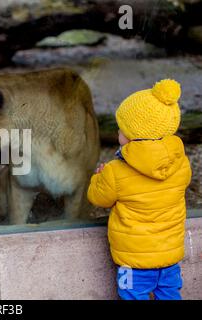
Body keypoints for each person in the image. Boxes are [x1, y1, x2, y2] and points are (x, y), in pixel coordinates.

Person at [87, 79, 192, 300]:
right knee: (170, 294)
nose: (117, 131)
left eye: (121, 128)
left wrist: (99, 178)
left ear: (132, 135)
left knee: (132, 295)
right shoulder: (181, 163)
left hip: (133, 263)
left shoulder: (115, 171)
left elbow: (98, 198)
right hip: (169, 256)